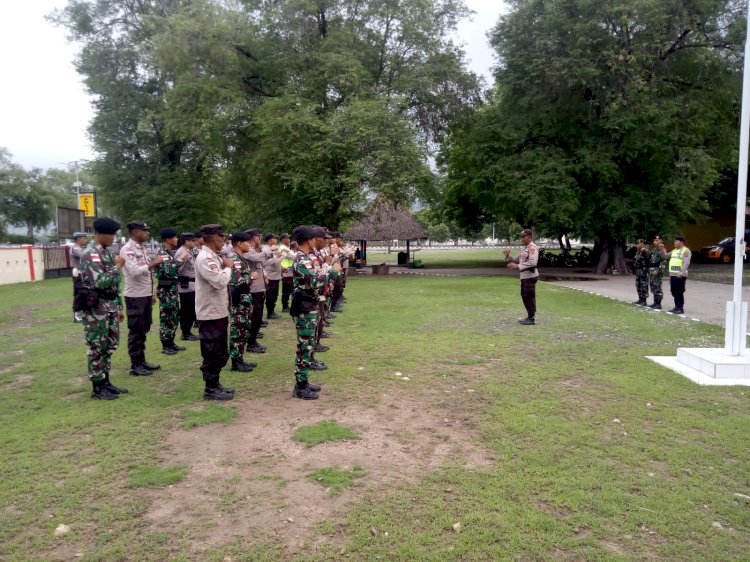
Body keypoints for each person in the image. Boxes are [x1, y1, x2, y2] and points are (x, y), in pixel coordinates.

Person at [77, 217, 128, 400]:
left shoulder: (106, 252)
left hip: (110, 305)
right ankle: (97, 387)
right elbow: (99, 281)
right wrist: (117, 268)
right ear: (99, 234)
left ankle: (106, 381)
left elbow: (114, 283)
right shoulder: (90, 254)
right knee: (97, 346)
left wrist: (119, 306)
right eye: (111, 235)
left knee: (109, 344)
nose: (113, 238)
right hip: (96, 307)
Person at [290, 225, 341, 400]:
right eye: (314, 239)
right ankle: (300, 385)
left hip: (309, 304)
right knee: (304, 346)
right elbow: (315, 280)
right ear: (309, 240)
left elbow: (318, 274)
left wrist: (326, 272)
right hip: (304, 305)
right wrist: (330, 272)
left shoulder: (305, 258)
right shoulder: (301, 259)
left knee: (308, 343)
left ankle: (303, 382)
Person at [195, 224, 235, 400]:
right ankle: (210, 388)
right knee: (211, 351)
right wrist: (228, 267)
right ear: (214, 238)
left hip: (218, 311)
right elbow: (219, 282)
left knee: (220, 351)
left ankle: (216, 383)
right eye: (222, 238)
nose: (224, 241)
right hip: (210, 313)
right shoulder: (205, 258)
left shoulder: (214, 257)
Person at [120, 221, 165, 376]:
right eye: (144, 230)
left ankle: (142, 360)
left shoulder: (142, 248)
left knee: (144, 328)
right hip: (135, 296)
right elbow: (135, 271)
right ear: (134, 232)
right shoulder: (127, 250)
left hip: (145, 294)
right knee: (136, 330)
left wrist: (151, 293)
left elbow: (147, 274)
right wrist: (155, 262)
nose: (147, 233)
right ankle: (135, 365)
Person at [153, 228, 186, 355]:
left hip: (172, 289)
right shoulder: (161, 253)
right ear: (167, 239)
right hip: (165, 290)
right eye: (174, 237)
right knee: (166, 317)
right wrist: (180, 260)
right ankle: (165, 344)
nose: (177, 239)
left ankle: (171, 341)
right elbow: (169, 271)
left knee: (173, 315)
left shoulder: (169, 253)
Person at [227, 232, 256, 372]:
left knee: (243, 330)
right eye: (247, 242)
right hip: (238, 299)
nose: (250, 244)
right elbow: (236, 281)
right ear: (239, 243)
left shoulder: (241, 258)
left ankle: (240, 358)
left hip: (244, 298)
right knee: (237, 331)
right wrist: (251, 277)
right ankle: (235, 362)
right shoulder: (234, 259)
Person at [243, 228, 272, 353]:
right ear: (255, 238)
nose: (260, 240)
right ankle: (251, 343)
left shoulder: (254, 250)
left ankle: (253, 340)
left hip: (259, 288)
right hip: (253, 289)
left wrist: (264, 273)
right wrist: (267, 251)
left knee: (258, 317)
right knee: (254, 317)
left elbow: (260, 263)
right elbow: (255, 259)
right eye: (259, 237)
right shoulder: (247, 250)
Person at [504, 228, 540, 325]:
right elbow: (516, 259)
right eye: (521, 237)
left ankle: (531, 318)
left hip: (530, 276)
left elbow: (533, 262)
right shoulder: (525, 248)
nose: (522, 239)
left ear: (529, 237)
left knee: (529, 296)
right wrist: (508, 256)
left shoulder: (533, 247)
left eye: (523, 237)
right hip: (524, 276)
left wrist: (517, 266)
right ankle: (529, 316)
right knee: (524, 296)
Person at [658, 236, 691, 314]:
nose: (674, 242)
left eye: (676, 241)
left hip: (680, 275)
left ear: (681, 242)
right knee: (673, 291)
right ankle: (676, 306)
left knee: (679, 291)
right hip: (673, 274)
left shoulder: (686, 250)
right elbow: (664, 256)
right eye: (674, 241)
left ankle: (680, 308)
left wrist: (681, 273)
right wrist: (662, 249)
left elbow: (686, 263)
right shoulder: (674, 251)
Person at [175, 233, 199, 341]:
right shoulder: (182, 252)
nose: (194, 242)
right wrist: (180, 260)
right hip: (186, 286)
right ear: (187, 242)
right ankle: (185, 333)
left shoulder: (189, 251)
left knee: (191, 309)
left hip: (192, 285)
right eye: (192, 241)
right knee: (187, 310)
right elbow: (177, 269)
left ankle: (188, 331)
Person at [262, 233, 283, 320]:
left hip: (275, 275)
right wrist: (281, 256)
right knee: (270, 295)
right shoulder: (266, 249)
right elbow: (273, 261)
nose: (276, 240)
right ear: (270, 240)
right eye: (274, 239)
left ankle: (272, 312)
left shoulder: (273, 248)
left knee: (274, 295)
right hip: (270, 275)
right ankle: (270, 313)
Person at [70, 232, 88, 323]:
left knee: (85, 293)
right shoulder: (75, 248)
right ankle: (77, 314)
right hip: (78, 273)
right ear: (78, 239)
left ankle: (82, 312)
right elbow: (84, 256)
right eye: (84, 238)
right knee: (78, 293)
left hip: (84, 273)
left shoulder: (82, 248)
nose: (86, 240)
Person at [647, 235, 665, 310]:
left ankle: (658, 304)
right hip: (652, 269)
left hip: (657, 270)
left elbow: (663, 261)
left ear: (661, 241)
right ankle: (655, 302)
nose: (655, 242)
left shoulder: (662, 250)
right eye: (654, 240)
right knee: (653, 286)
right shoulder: (654, 250)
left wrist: (658, 270)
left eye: (657, 240)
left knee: (657, 287)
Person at [279, 233, 295, 313]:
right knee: (286, 291)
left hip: (289, 271)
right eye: (287, 238)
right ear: (282, 239)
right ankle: (285, 307)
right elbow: (289, 257)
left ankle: (287, 306)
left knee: (290, 290)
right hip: (286, 271)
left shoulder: (287, 247)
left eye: (289, 238)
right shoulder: (282, 247)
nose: (289, 240)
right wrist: (298, 257)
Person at [632, 239, 650, 306]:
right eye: (637, 244)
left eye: (639, 243)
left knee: (644, 285)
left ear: (642, 244)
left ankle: (644, 300)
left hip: (643, 270)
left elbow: (648, 258)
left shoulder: (645, 251)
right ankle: (640, 299)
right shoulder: (638, 251)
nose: (637, 245)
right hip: (638, 271)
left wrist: (644, 251)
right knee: (638, 285)